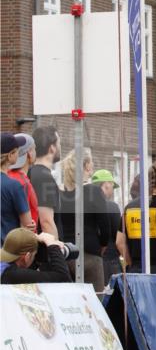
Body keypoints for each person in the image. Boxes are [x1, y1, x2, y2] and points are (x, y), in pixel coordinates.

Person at [59, 148, 111, 293]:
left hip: (65, 255)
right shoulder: (94, 191)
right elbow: (104, 224)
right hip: (89, 255)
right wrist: (103, 244)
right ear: (87, 165)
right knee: (95, 302)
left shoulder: (58, 192)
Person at [1, 228, 72, 284]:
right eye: (34, 255)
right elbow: (64, 278)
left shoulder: (6, 269)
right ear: (27, 257)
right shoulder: (13, 275)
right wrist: (52, 244)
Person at [90, 169, 123, 285]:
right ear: (106, 184)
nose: (112, 191)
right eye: (112, 186)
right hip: (110, 261)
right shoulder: (112, 207)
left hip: (89, 259)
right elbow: (118, 235)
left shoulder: (84, 205)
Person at [28, 125, 63, 238]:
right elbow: (46, 222)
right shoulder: (44, 178)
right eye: (59, 143)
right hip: (44, 246)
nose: (60, 147)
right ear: (52, 148)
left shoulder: (31, 172)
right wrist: (56, 246)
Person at [1, 133, 33, 240]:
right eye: (17, 151)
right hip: (7, 247)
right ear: (10, 155)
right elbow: (27, 226)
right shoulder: (14, 186)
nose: (19, 154)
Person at [7, 133, 39, 228]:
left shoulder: (5, 176)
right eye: (34, 148)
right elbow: (26, 223)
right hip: (23, 236)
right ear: (29, 153)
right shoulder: (22, 183)